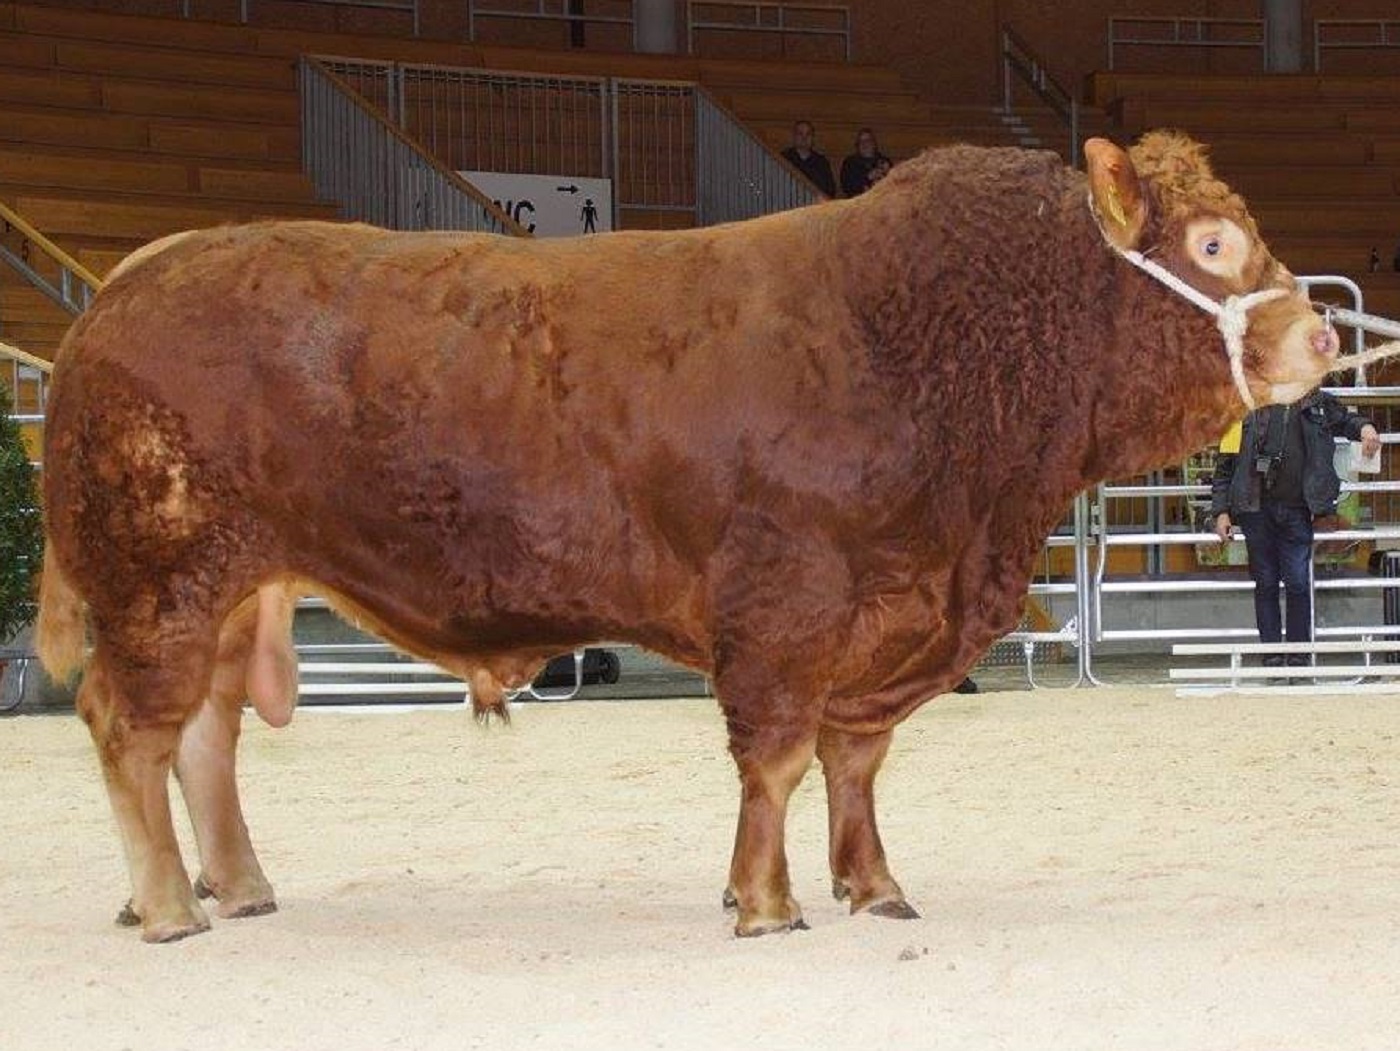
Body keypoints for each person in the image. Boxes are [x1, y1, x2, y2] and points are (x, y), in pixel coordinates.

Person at [1210, 393, 1381, 676]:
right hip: (1254, 509)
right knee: (1265, 584)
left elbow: (1347, 420)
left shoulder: (1316, 403)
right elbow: (1225, 463)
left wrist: (1366, 428)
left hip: (1299, 508)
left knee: (1298, 583)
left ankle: (1299, 657)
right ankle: (1271, 657)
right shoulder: (1240, 404)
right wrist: (1221, 511)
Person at [780, 120, 837, 199]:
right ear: (794, 136)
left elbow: (830, 190)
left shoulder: (822, 162)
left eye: (808, 134)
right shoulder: (783, 159)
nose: (804, 138)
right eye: (800, 134)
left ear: (813, 138)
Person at [840, 127, 892, 198]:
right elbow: (847, 187)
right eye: (861, 141)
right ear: (857, 146)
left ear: (874, 144)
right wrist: (868, 177)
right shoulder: (849, 163)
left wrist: (887, 174)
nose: (864, 144)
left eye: (868, 140)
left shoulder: (884, 161)